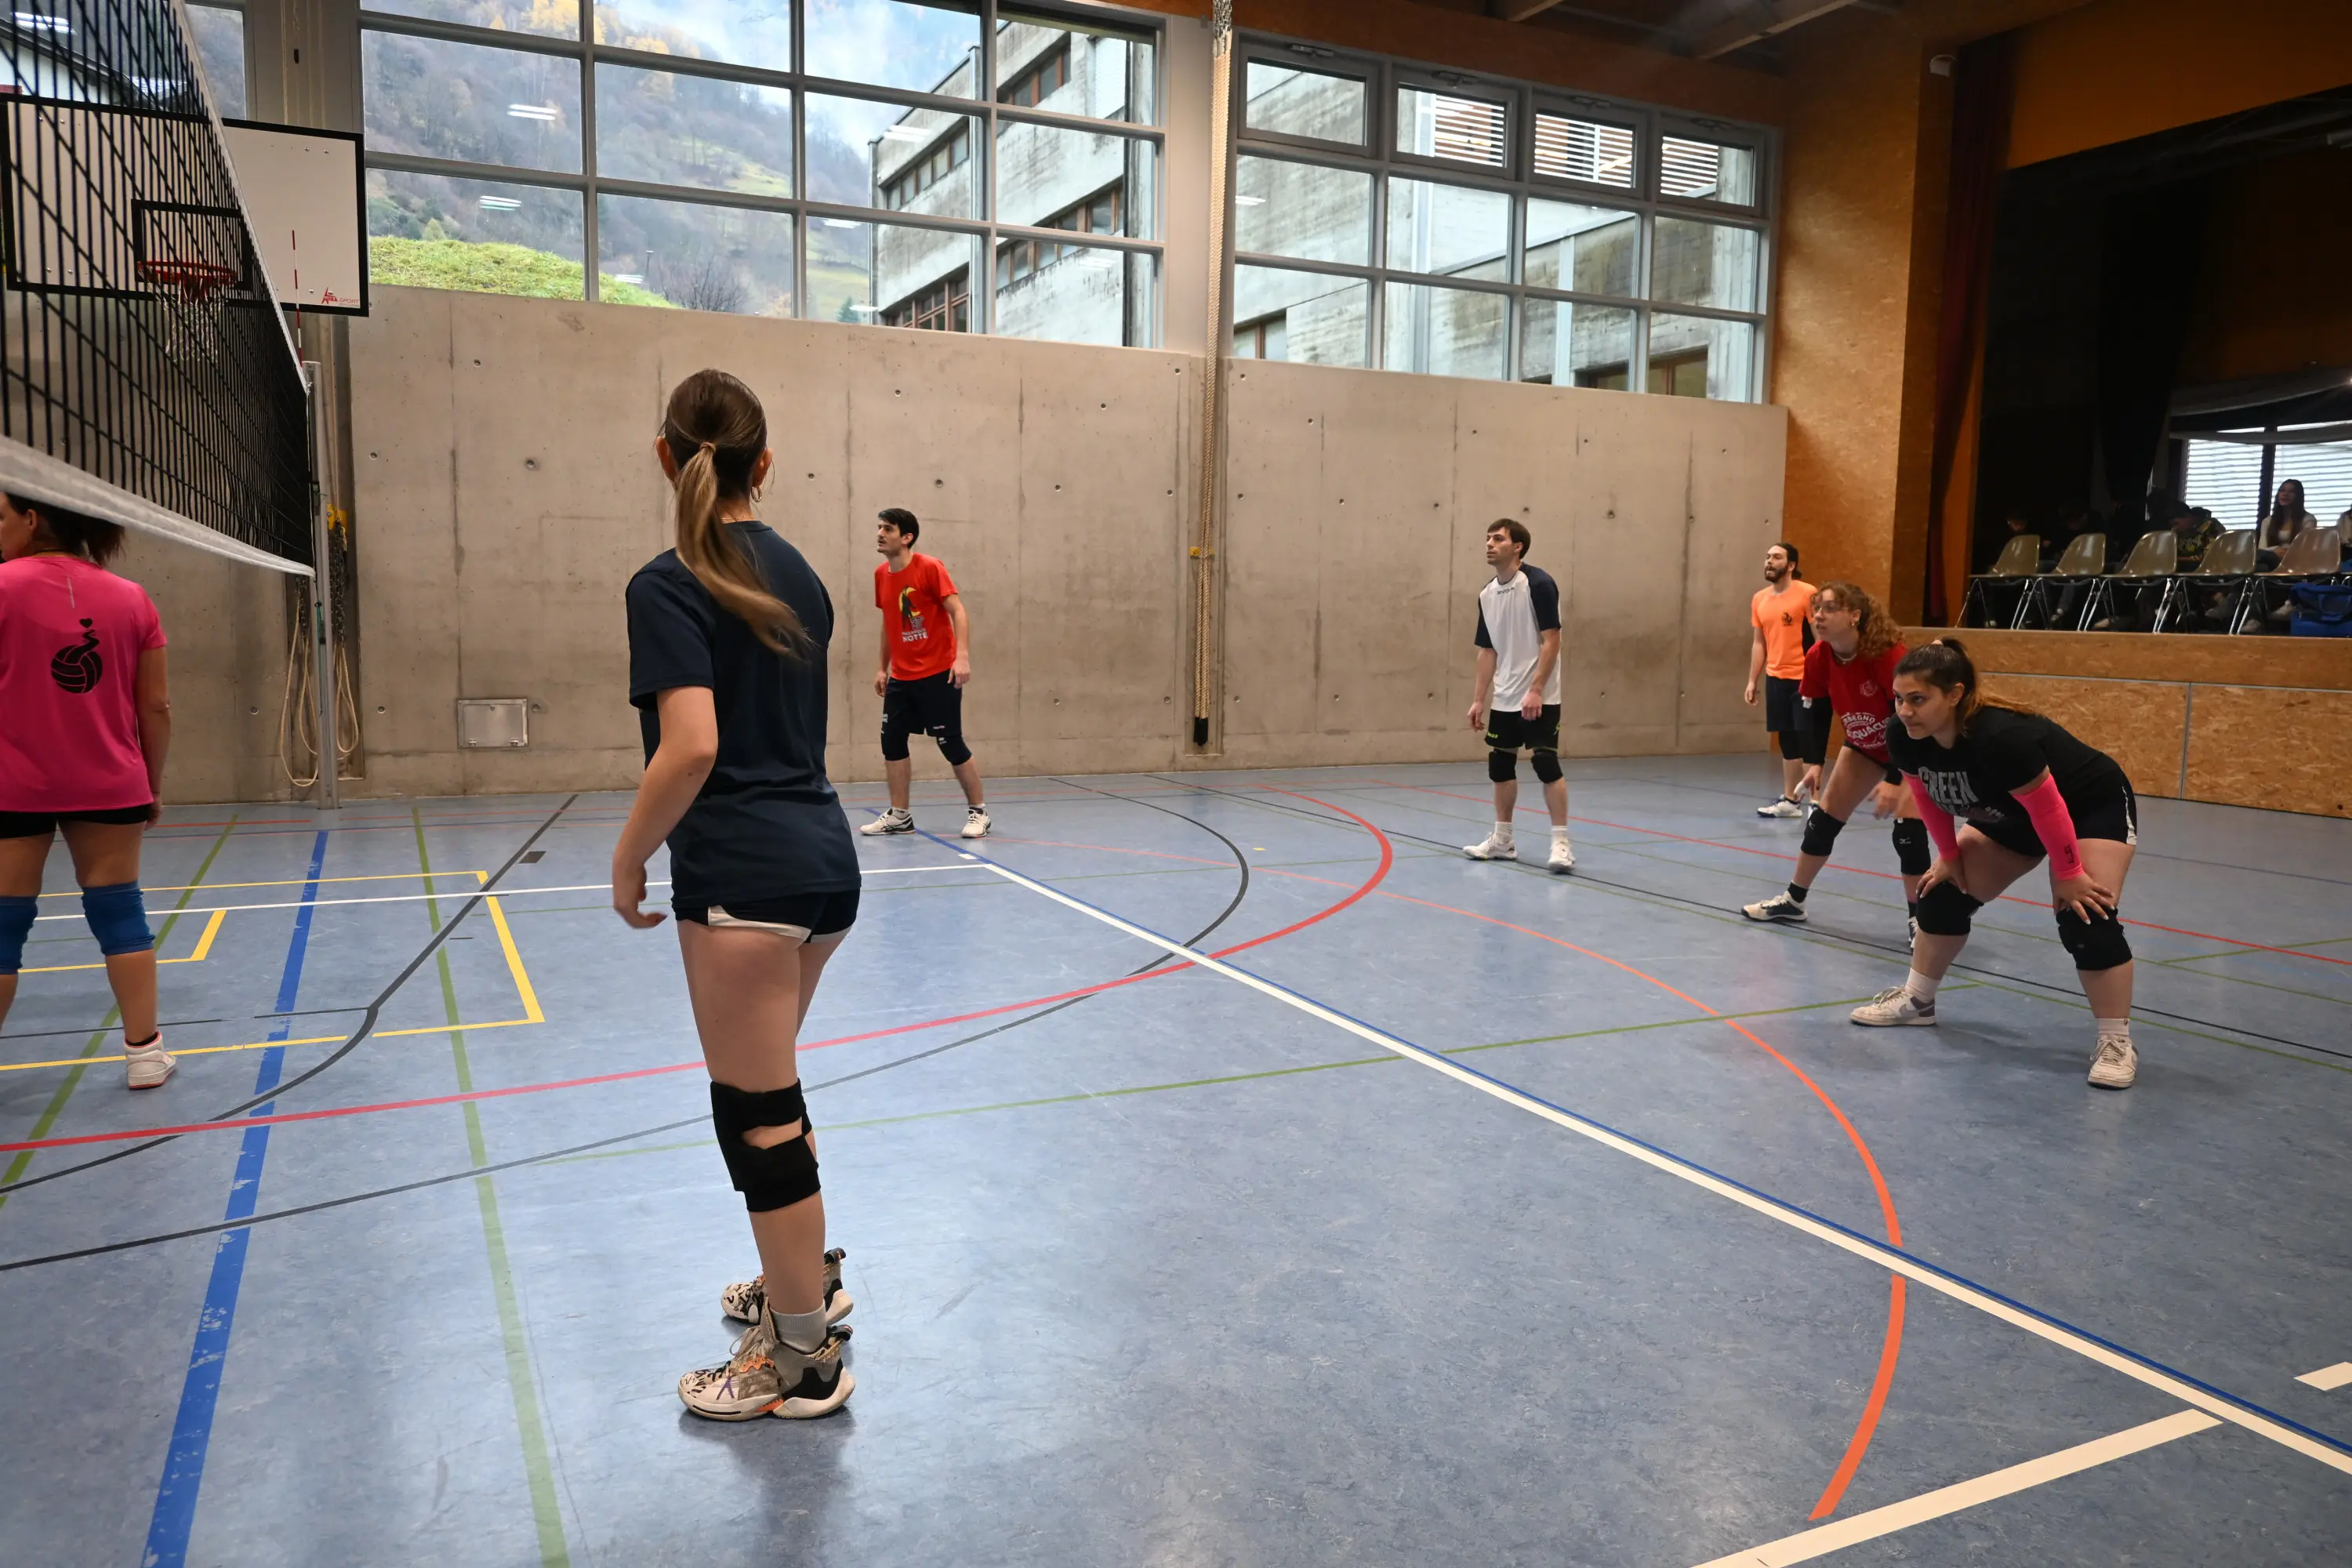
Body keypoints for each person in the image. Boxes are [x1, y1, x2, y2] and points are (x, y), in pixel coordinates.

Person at [614, 368, 858, 1419]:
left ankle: (802, 1357)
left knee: (756, 1113)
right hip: (820, 863)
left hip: (745, 880)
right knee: (769, 1097)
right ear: (766, 465)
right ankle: (805, 1284)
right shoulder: (803, 574)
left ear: (667, 459)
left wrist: (629, 856)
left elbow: (694, 745)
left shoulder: (667, 582)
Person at [1850, 638, 2143, 1091]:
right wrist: (1948, 857)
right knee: (1943, 895)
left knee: (2086, 916)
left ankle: (2116, 1041)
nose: (1905, 711)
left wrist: (2068, 875)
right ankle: (1918, 1001)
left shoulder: (2001, 736)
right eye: (1899, 699)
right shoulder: (1904, 736)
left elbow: (2051, 811)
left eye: (1918, 699)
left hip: (2086, 804)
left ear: (1955, 694)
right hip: (2011, 813)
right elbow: (1926, 796)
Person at [0, 495, 174, 1090]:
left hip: (12, 784)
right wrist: (150, 783)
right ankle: (144, 1054)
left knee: (3, 924)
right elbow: (155, 705)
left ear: (31, 519)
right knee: (119, 912)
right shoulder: (132, 597)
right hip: (110, 779)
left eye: (1, 517)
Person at [1740, 582, 1926, 943]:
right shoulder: (1819, 656)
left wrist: (1894, 777)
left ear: (1855, 616)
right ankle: (1794, 901)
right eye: (1815, 609)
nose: (1818, 616)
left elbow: (1904, 719)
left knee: (1908, 834)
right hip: (1863, 747)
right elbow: (1819, 708)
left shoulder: (1886, 655)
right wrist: (1815, 764)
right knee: (1822, 823)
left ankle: (1920, 920)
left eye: (1828, 609)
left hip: (1914, 748)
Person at [858, 508, 987, 840]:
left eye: (888, 529)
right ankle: (900, 816)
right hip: (902, 676)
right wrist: (881, 668)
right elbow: (889, 625)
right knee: (892, 740)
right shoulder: (881, 575)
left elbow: (958, 611)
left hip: (938, 672)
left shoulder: (930, 567)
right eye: (879, 527)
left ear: (907, 537)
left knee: (950, 742)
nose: (880, 533)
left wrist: (962, 657)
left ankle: (979, 813)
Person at [1462, 518, 1573, 872]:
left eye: (1498, 539)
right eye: (1488, 538)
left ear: (1518, 547)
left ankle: (1560, 843)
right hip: (1505, 698)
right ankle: (1503, 841)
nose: (1490, 544)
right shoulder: (1486, 594)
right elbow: (1487, 651)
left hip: (1539, 696)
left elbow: (1552, 638)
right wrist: (1480, 698)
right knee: (1500, 765)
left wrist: (1536, 689)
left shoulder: (1538, 584)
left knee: (1545, 762)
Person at [1744, 542, 1824, 817]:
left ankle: (1816, 803)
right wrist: (1753, 680)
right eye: (1767, 557)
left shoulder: (1807, 594)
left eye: (1776, 557)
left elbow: (1819, 638)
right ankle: (1791, 802)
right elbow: (1759, 644)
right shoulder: (1759, 599)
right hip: (1775, 678)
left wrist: (1821, 676)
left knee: (1808, 739)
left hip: (1805, 679)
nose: (1769, 561)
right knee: (1787, 741)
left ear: (1790, 566)